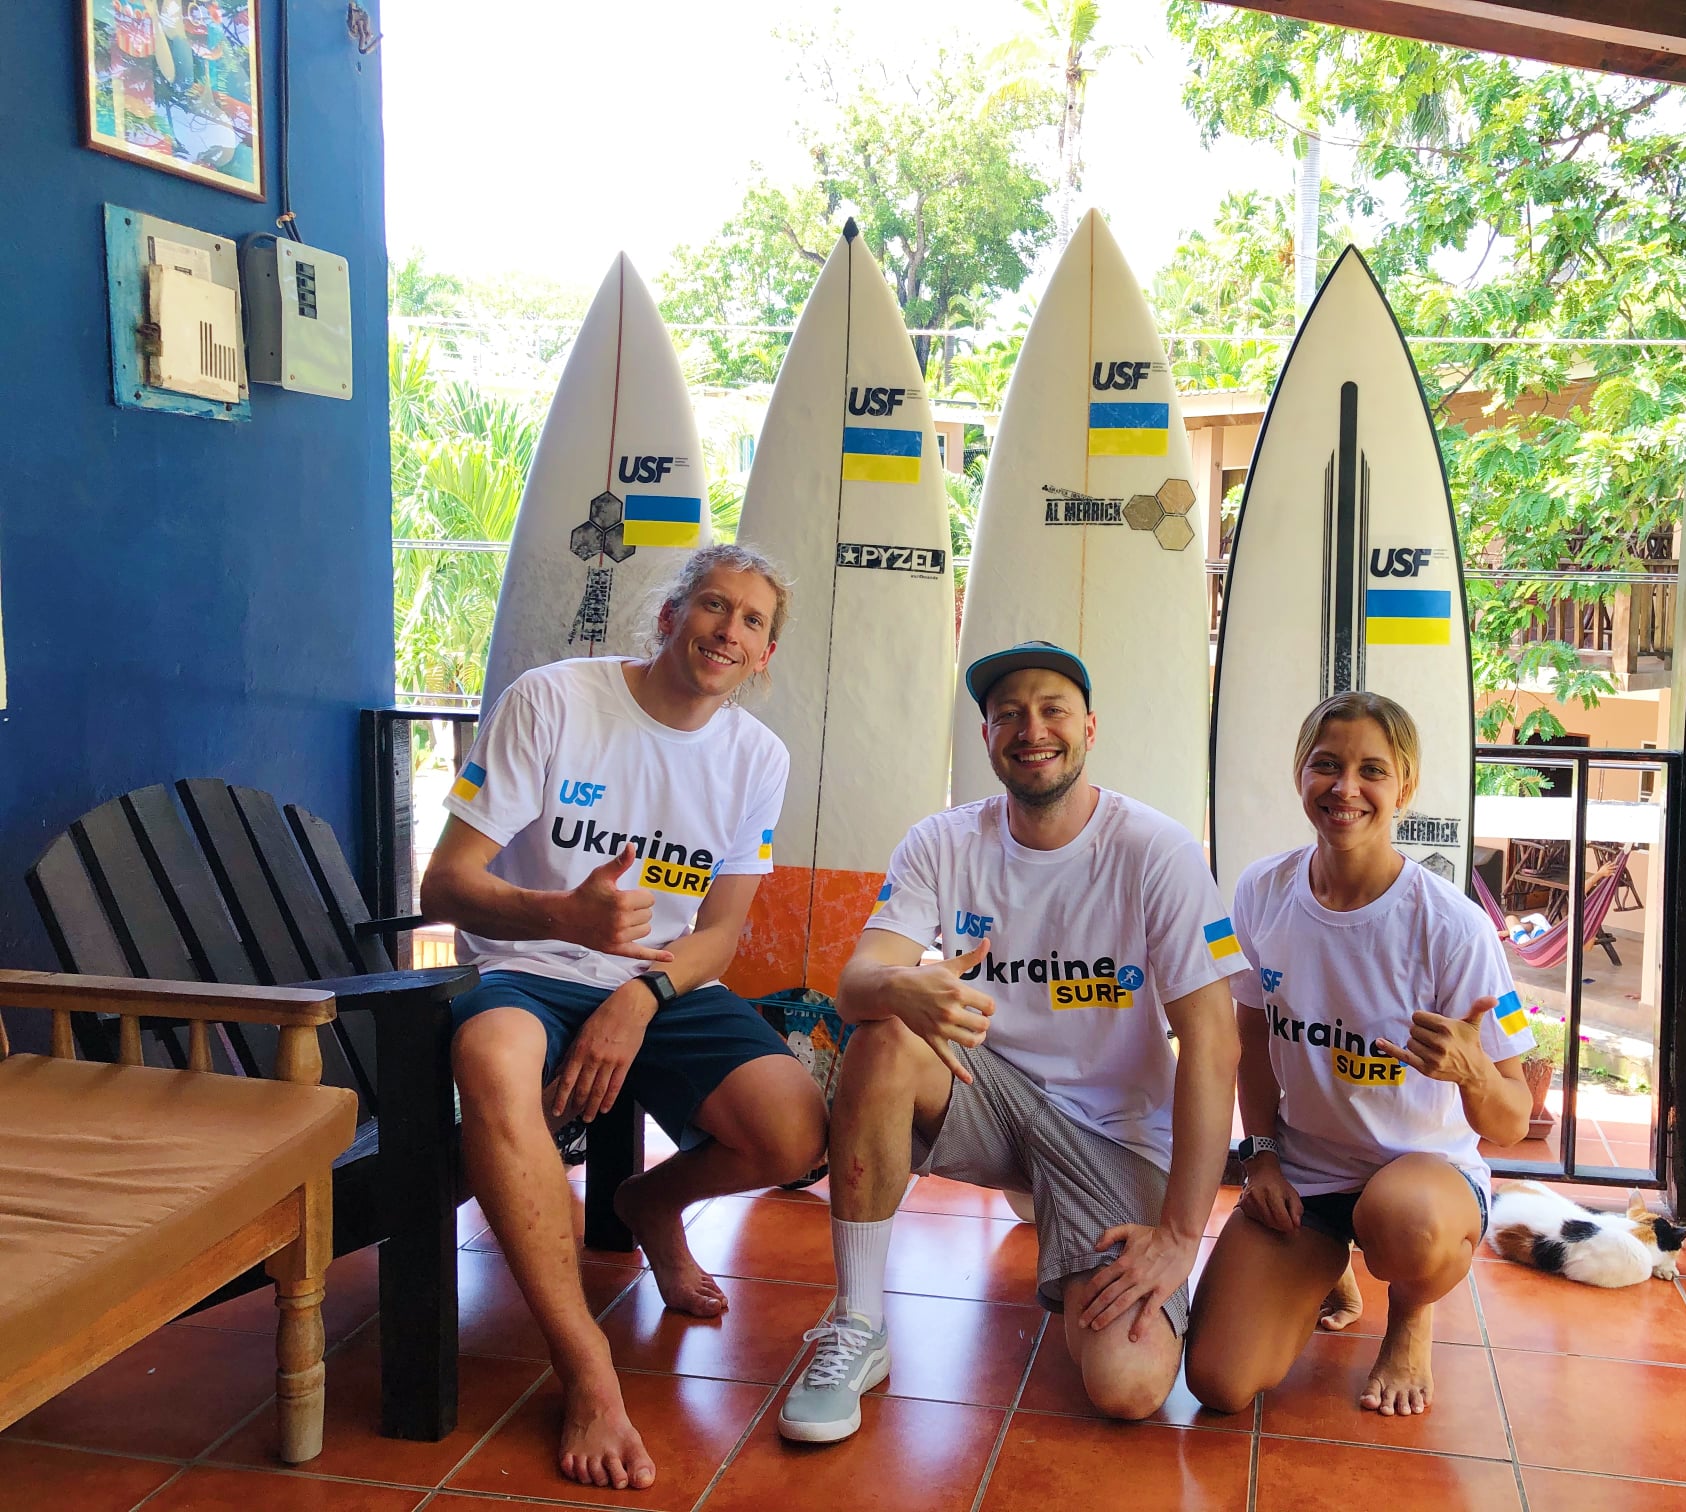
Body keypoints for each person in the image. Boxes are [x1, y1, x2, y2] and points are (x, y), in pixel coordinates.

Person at [421, 544, 827, 1491]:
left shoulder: (757, 757)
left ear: (765, 654)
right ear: (668, 617)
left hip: (664, 984)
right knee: (490, 1060)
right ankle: (587, 1367)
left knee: (793, 1129)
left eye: (753, 621)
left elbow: (720, 933)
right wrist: (565, 918)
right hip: (529, 965)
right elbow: (445, 884)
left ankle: (649, 1202)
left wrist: (639, 997)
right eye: (713, 606)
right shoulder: (554, 700)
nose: (730, 630)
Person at [776, 640, 1244, 1443]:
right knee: (884, 1035)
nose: (1032, 729)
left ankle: (1070, 1216)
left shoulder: (1158, 851)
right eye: (1008, 715)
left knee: (1128, 1389)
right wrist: (901, 986)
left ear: (1089, 728)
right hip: (987, 1097)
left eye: (1052, 709)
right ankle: (858, 1322)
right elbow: (856, 982)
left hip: (1112, 1134)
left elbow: (1214, 1042)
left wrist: (1176, 1237)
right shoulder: (942, 841)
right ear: (987, 737)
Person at [1184, 692, 1534, 1419]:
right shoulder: (1259, 891)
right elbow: (1247, 1038)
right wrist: (1264, 1157)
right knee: (1218, 1381)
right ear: (1300, 776)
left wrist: (1471, 1070)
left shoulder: (1456, 930)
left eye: (1372, 770)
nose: (1346, 788)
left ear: (1404, 788)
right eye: (1327, 766)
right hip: (1308, 1176)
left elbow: (1511, 1120)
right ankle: (1327, 1262)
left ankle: (1410, 1316)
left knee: (1407, 1226)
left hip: (1421, 1183)